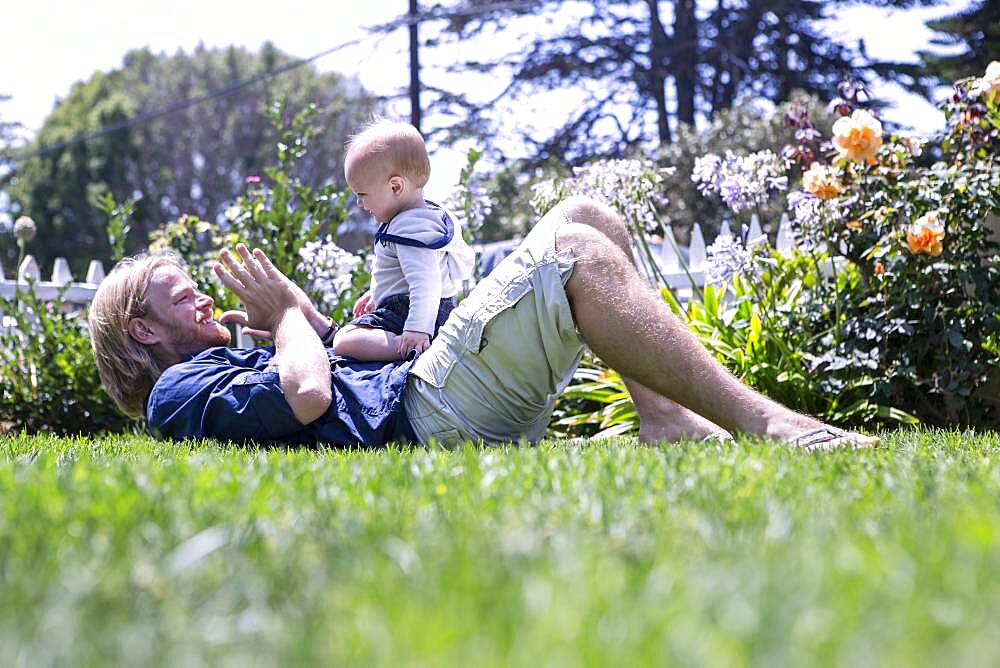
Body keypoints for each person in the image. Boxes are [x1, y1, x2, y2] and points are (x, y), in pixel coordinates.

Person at [88, 196, 879, 451]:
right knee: (571, 246)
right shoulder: (178, 393)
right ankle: (770, 425)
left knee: (584, 211)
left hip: (420, 389)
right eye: (178, 295)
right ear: (145, 333)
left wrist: (314, 319)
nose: (199, 298)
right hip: (425, 414)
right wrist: (289, 316)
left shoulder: (215, 372)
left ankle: (665, 417)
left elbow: (324, 363)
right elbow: (305, 396)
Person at [331, 118, 475, 361]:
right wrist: (378, 293)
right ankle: (411, 340)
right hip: (429, 311)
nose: (359, 203)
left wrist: (416, 330)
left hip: (412, 316)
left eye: (362, 194)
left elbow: (426, 281)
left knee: (344, 340)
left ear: (396, 187)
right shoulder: (427, 218)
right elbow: (407, 276)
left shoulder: (409, 227)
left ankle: (404, 346)